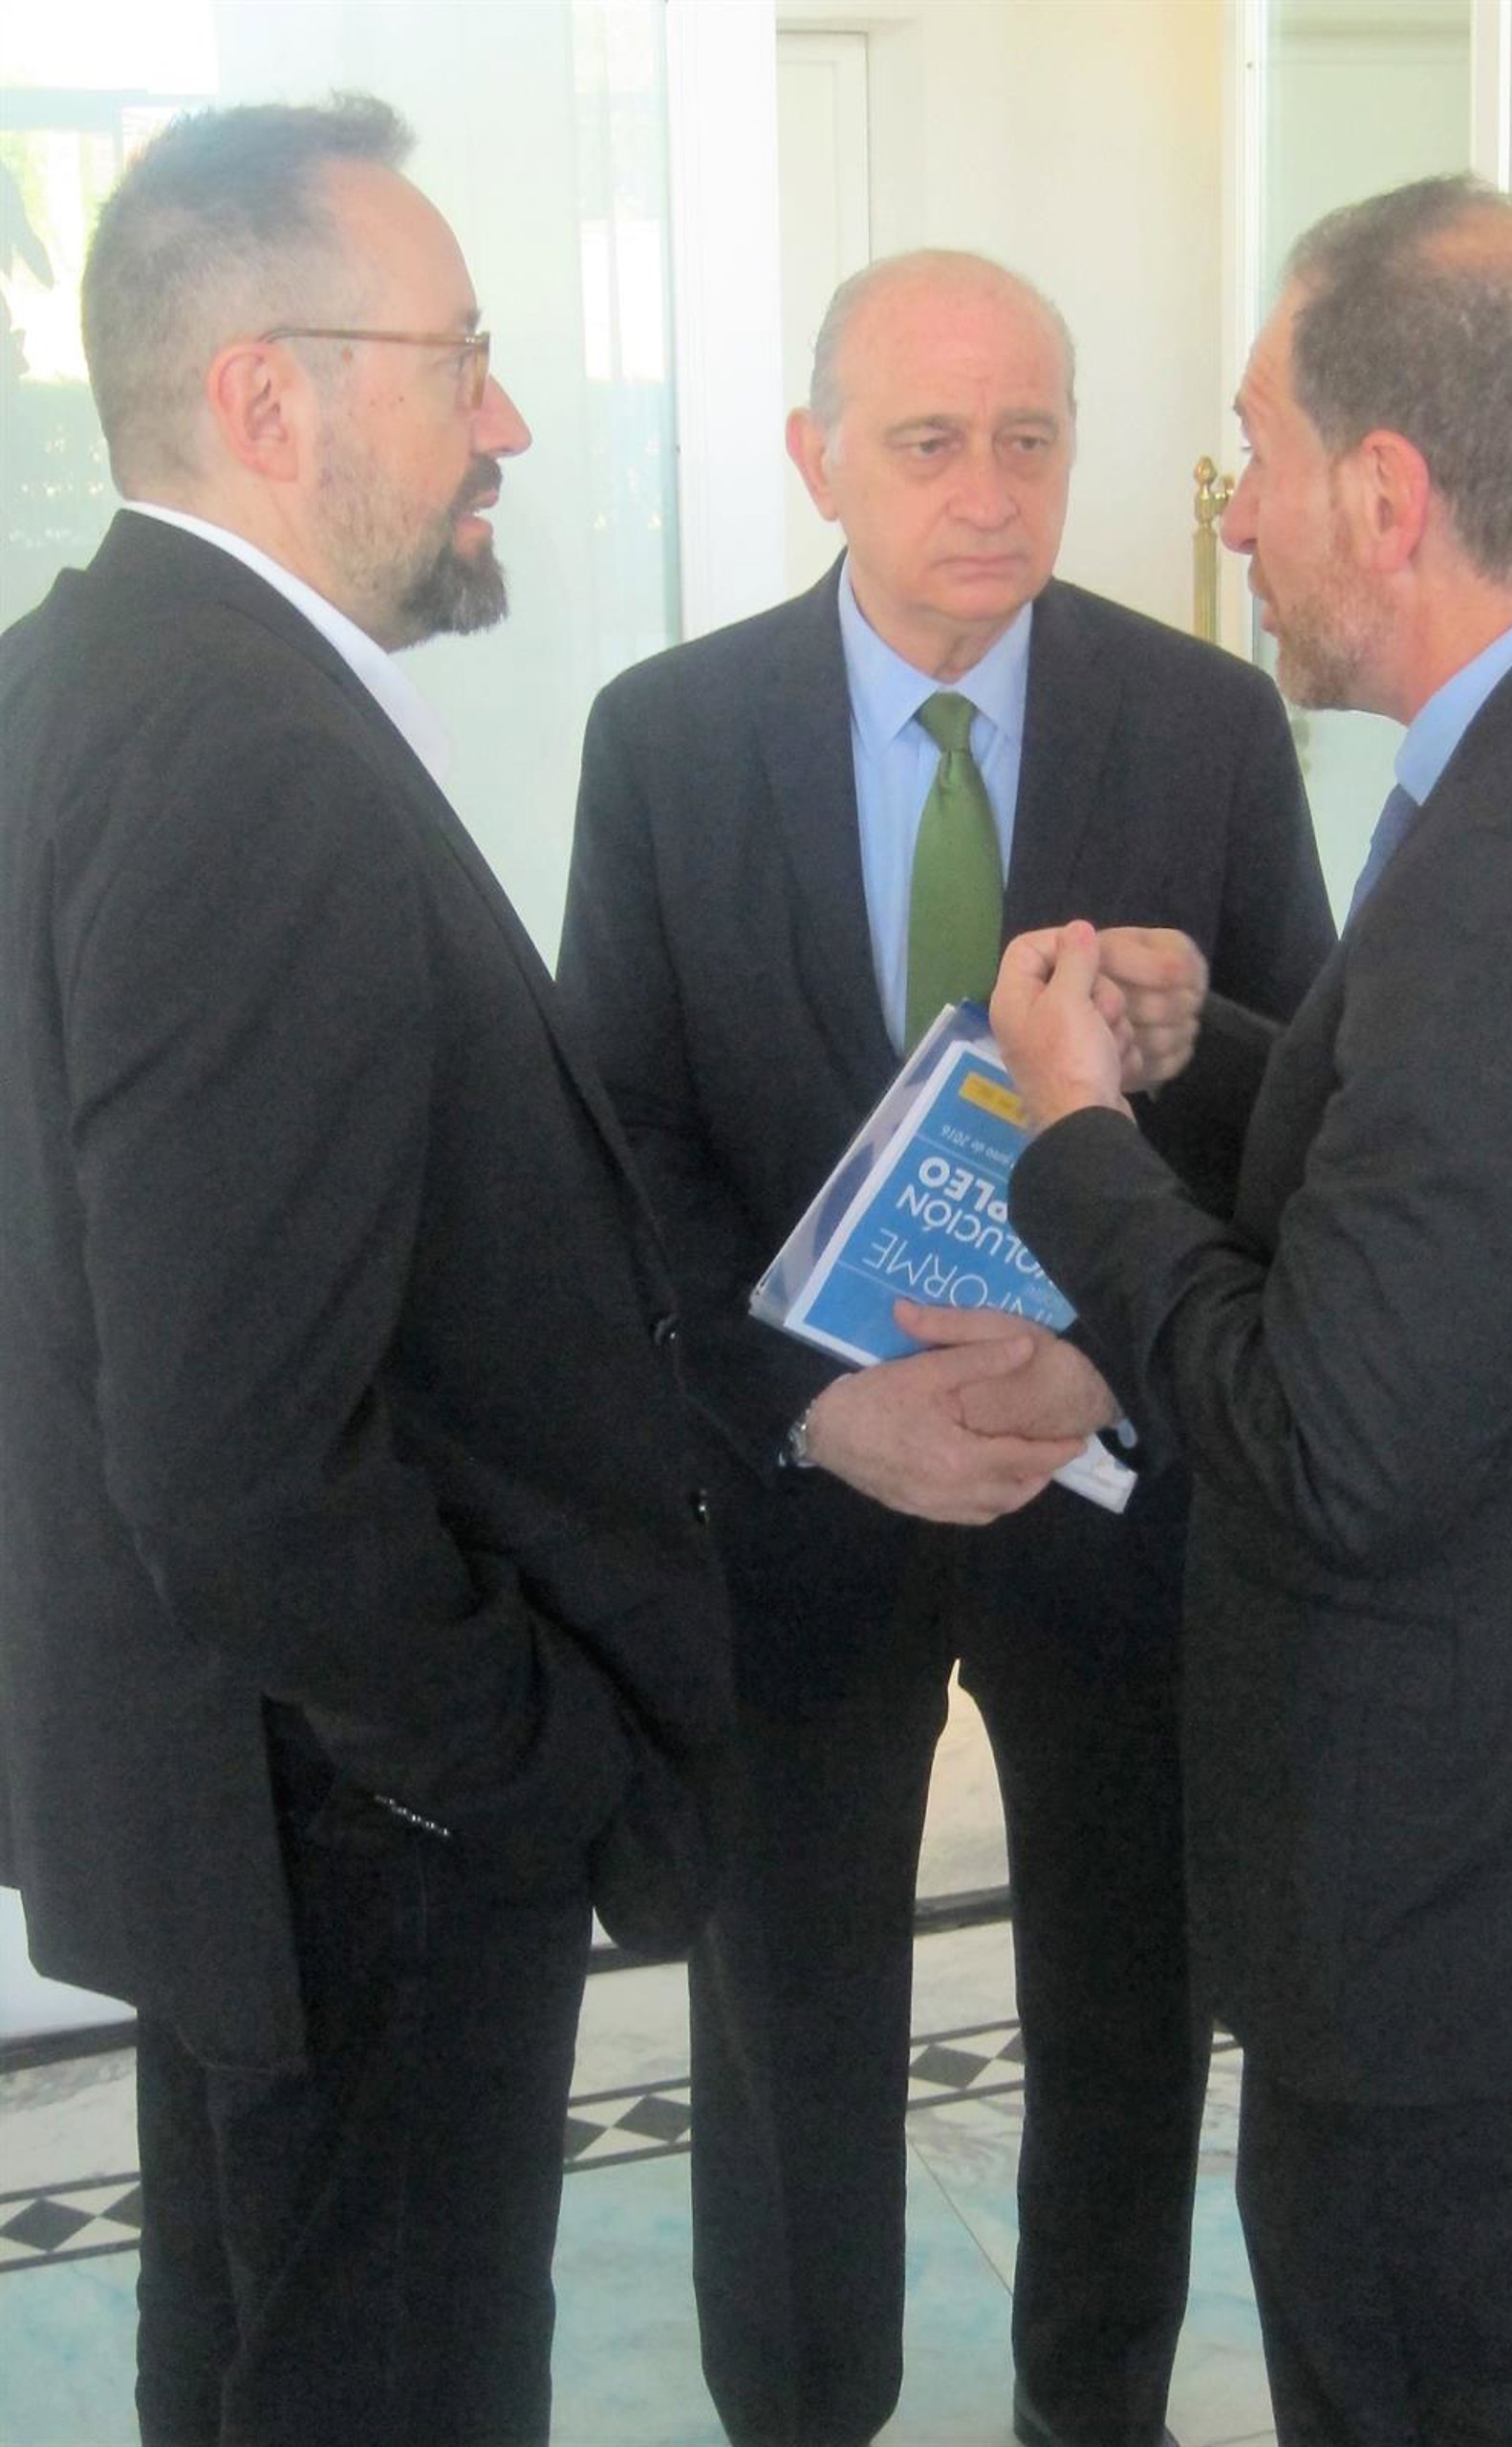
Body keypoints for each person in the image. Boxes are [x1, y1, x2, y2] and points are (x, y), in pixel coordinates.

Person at [974, 175, 1512, 2446]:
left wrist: (1073, 1140)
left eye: (1252, 454)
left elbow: (1330, 1436)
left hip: (1460, 1905)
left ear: (1387, 488)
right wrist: (1217, 1058)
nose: (1235, 517)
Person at [0, 97, 731, 2447]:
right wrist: (522, 1762)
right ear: (265, 398)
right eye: (463, 358)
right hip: (356, 1832)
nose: (507, 422)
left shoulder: (83, 674)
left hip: (225, 1797)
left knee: (250, 2362)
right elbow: (236, 1460)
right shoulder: (252, 758)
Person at [557, 247, 1333, 2447]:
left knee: (1126, 2004)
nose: (988, 490)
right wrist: (820, 1409)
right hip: (801, 1507)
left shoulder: (1206, 723)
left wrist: (1116, 1349)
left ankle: (1095, 2405)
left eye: (1030, 438)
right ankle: (805, 2407)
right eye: (927, 441)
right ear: (816, 457)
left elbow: (1306, 1112)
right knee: (789, 2016)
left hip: (1115, 1495)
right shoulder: (666, 736)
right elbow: (620, 1150)